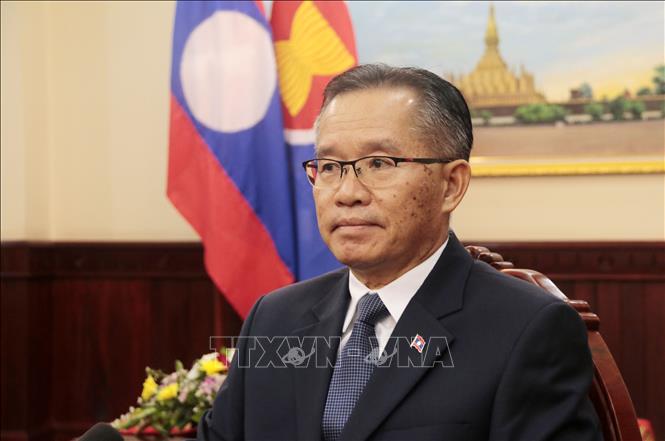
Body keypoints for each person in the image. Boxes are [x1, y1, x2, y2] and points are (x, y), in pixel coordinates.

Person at [197, 64, 601, 441]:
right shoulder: (274, 318)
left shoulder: (527, 329)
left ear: (451, 185)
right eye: (330, 166)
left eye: (379, 163)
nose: (347, 193)